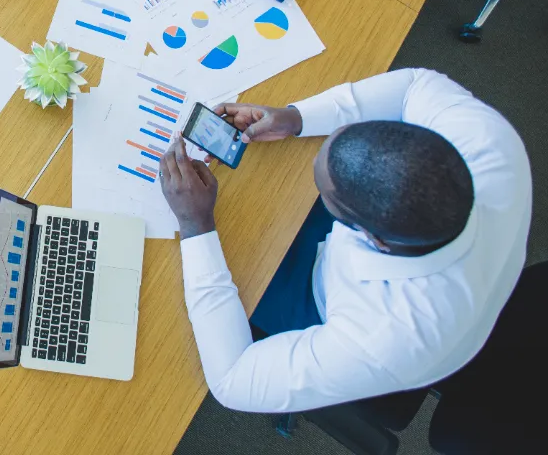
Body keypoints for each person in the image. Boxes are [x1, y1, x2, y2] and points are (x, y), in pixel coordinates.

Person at [159, 68, 531, 412]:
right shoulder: (488, 142)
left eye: (323, 190)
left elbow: (232, 380)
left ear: (369, 236)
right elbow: (415, 84)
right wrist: (297, 118)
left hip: (327, 303)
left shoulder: (381, 338)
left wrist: (196, 224)